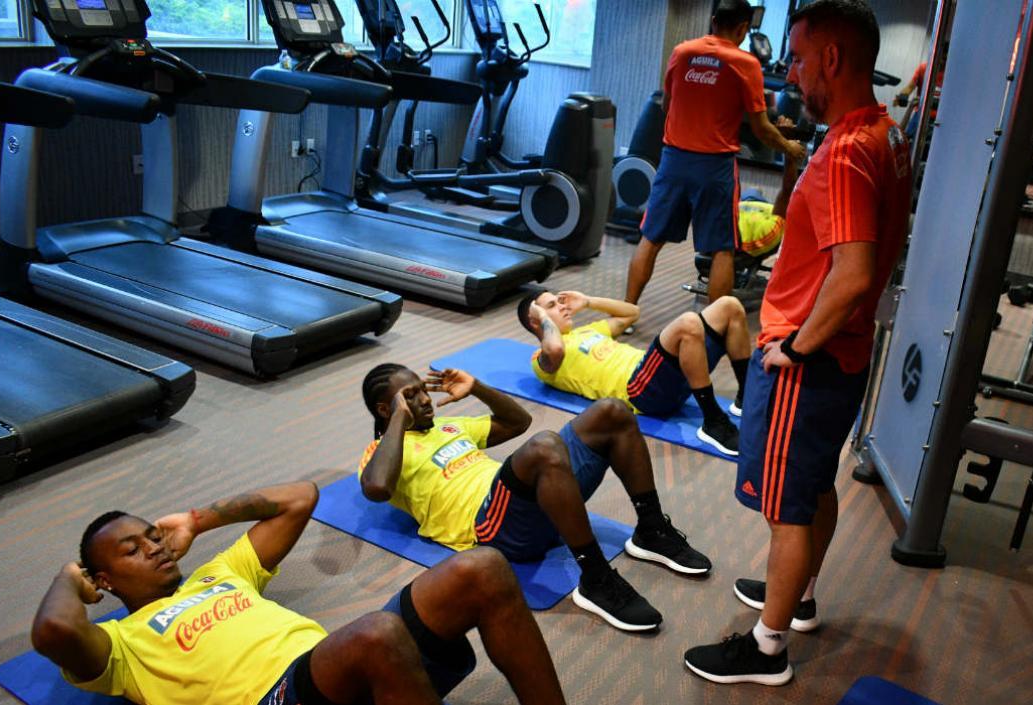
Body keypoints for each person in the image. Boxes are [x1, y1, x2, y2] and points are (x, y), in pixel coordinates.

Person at [684, 0, 912, 685]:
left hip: (811, 359)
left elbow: (854, 273)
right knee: (813, 485)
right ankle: (800, 596)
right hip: (847, 351)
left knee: (785, 507)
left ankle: (766, 646)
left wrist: (796, 348)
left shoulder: (846, 151)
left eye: (799, 58)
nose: (790, 72)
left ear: (833, 60)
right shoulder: (883, 132)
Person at [32, 482, 568, 705]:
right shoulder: (120, 645)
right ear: (102, 581)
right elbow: (55, 630)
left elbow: (299, 497)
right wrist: (68, 578)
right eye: (131, 550)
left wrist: (199, 519)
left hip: (347, 673)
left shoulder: (219, 573)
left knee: (481, 567)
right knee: (376, 634)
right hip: (281, 697)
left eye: (151, 535)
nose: (152, 547)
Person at [359, 363, 711, 633]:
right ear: (386, 409)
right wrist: (398, 423)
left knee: (612, 411)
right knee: (544, 447)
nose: (424, 399)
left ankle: (651, 529)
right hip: (490, 529)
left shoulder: (450, 427)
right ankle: (596, 578)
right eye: (410, 396)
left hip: (526, 504)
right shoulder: (383, 451)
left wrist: (477, 387)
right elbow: (377, 488)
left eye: (423, 390)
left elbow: (517, 422)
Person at [624, 0, 807, 306]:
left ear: (712, 21)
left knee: (651, 238)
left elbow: (668, 105)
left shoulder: (682, 52)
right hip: (714, 166)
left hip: (674, 160)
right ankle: (713, 325)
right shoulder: (746, 64)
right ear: (743, 28)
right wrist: (789, 146)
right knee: (722, 248)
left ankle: (626, 312)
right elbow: (761, 129)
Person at [517, 289, 750, 455]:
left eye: (559, 302)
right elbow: (554, 347)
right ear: (536, 320)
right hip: (640, 391)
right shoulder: (542, 360)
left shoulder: (587, 331)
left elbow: (631, 313)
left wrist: (588, 301)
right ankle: (713, 421)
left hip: (663, 375)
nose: (562, 306)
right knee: (688, 322)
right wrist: (543, 316)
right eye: (552, 306)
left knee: (729, 306)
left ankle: (745, 398)